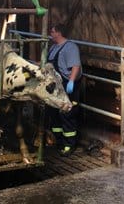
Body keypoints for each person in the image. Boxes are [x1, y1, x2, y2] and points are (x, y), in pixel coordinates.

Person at [47, 23, 82, 157]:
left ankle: (69, 145)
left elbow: (75, 65)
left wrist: (72, 81)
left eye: (52, 31)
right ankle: (59, 141)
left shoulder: (70, 47)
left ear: (59, 33)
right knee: (55, 113)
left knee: (67, 114)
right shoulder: (53, 47)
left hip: (67, 84)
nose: (51, 33)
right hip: (55, 85)